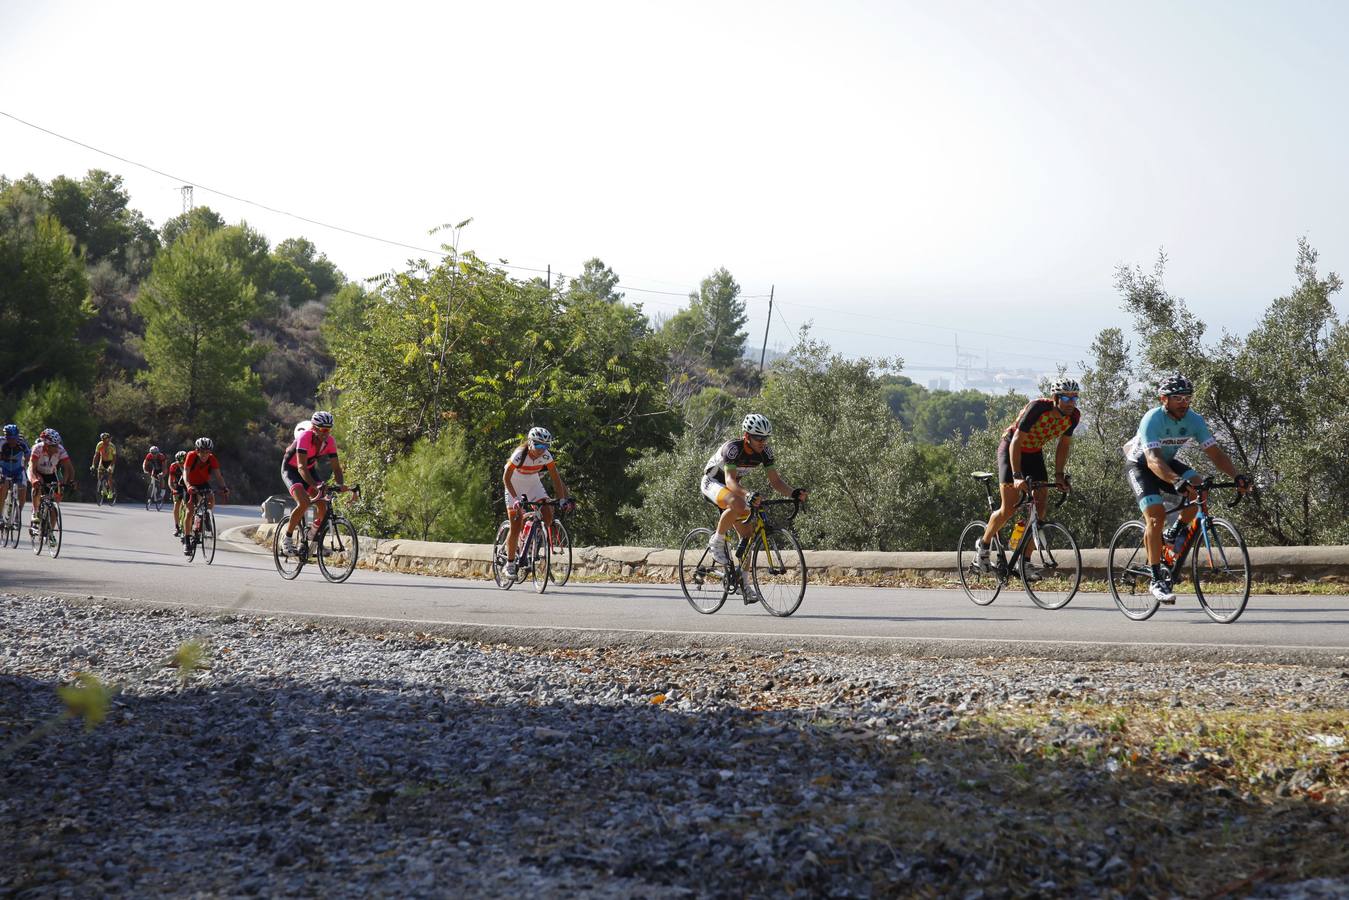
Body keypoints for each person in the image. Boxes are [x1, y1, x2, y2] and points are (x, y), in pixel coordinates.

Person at [1124, 374, 1251, 604]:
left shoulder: (1194, 420)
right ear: (1164, 399)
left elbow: (1214, 453)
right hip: (1142, 465)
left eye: (1188, 398)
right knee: (1156, 516)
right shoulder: (1152, 419)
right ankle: (1155, 579)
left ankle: (1174, 533)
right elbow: (1153, 460)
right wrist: (1175, 481)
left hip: (1167, 462)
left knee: (1199, 487)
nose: (1184, 403)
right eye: (1178, 398)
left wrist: (1236, 475)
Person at [700, 413, 807, 603]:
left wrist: (793, 493)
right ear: (746, 436)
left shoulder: (765, 452)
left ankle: (744, 583)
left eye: (765, 438)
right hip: (713, 483)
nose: (762, 442)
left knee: (748, 537)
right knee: (740, 503)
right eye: (758, 437)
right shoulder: (733, 449)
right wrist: (748, 494)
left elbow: (775, 481)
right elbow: (730, 481)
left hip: (731, 487)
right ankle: (716, 540)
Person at [977, 378, 1080, 574]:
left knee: (1040, 510)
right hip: (1011, 448)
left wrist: (1059, 475)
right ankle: (983, 545)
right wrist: (1016, 475)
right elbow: (1016, 440)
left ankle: (1023, 561)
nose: (1071, 403)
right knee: (1009, 507)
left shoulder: (1073, 417)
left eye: (1075, 398)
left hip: (1033, 453)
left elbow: (1063, 445)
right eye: (1066, 398)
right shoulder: (1037, 408)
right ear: (1056, 398)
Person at [502, 426, 571, 578]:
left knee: (547, 512)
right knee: (515, 524)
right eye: (539, 445)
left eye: (546, 446)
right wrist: (516, 499)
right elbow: (506, 478)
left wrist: (563, 499)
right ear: (531, 443)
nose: (542, 449)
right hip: (514, 485)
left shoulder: (546, 456)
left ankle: (532, 534)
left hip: (533, 484)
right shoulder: (520, 454)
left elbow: (555, 478)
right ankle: (510, 564)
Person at [280, 411, 345, 555]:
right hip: (292, 470)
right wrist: (316, 486)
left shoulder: (330, 442)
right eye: (323, 429)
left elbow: (336, 468)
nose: (326, 433)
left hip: (309, 470)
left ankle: (314, 535)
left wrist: (340, 485)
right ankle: (287, 538)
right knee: (303, 502)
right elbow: (301, 467)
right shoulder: (305, 437)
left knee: (324, 505)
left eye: (329, 429)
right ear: (314, 428)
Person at [180, 437, 230, 554]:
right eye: (202, 452)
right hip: (189, 483)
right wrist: (188, 486)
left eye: (207, 452)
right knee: (190, 511)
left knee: (211, 498)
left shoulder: (212, 459)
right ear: (197, 451)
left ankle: (206, 516)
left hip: (202, 483)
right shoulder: (191, 456)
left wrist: (224, 487)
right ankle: (187, 541)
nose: (205, 455)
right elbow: (186, 472)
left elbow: (218, 476)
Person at [27, 428, 76, 529]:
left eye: (58, 444)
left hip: (51, 474)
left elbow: (70, 469)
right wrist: (34, 480)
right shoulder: (37, 449)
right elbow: (32, 468)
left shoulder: (60, 450)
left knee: (54, 506)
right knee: (37, 485)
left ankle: (50, 532)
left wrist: (69, 481)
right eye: (54, 445)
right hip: (37, 472)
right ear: (46, 445)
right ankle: (35, 512)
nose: (57, 447)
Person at [0, 424, 31, 519]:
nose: (12, 441)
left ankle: (18, 513)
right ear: (6, 437)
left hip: (18, 469)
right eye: (9, 439)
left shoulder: (23, 443)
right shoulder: (1, 442)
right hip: (3, 469)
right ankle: (0, 515)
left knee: (23, 491)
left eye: (14, 438)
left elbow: (28, 457)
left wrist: (25, 468)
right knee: (3, 487)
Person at [167, 450, 188, 536]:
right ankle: (177, 527)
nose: (182, 464)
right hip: (178, 486)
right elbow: (170, 480)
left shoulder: (190, 465)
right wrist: (173, 489)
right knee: (176, 504)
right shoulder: (173, 466)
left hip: (188, 485)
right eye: (180, 462)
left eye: (184, 462)